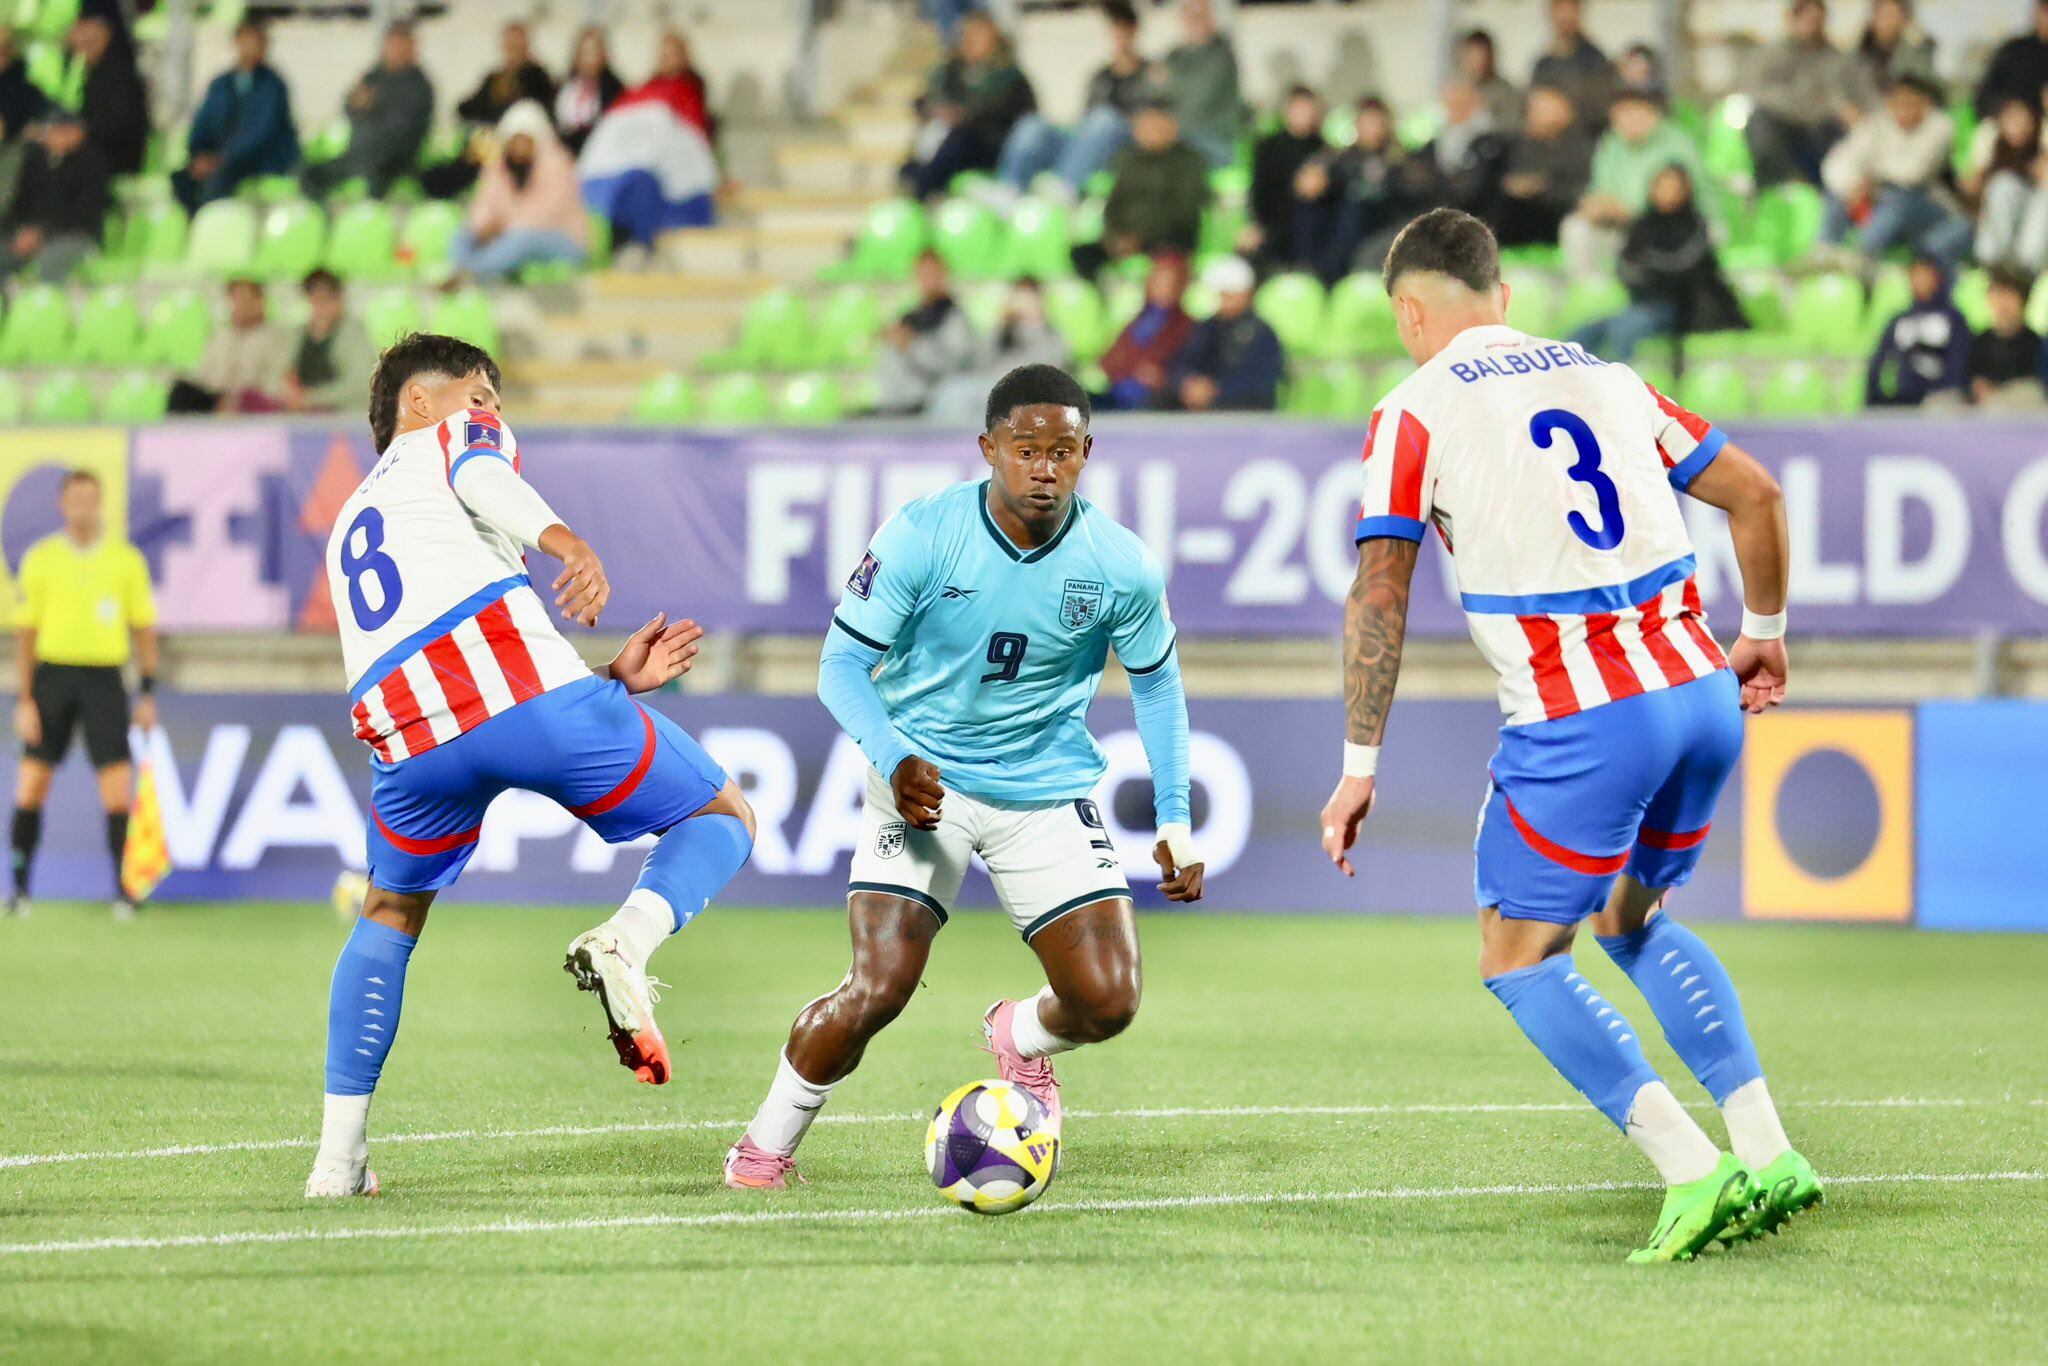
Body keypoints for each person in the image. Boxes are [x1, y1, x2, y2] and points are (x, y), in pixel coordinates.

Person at [1319, 206, 1819, 1263]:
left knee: (1517, 956)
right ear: (1501, 295)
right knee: (1630, 917)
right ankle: (1769, 1150)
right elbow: (1758, 493)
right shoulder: (1609, 377)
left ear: (1408, 312)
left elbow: (1380, 591)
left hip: (1584, 713)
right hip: (1698, 692)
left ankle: (1692, 1169)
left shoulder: (1411, 410)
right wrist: (1765, 635)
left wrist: (1359, 763)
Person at [723, 363, 1202, 1191]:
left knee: (1108, 1000)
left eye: (1062, 451)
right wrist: (893, 758)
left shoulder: (1120, 564)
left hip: (1043, 789)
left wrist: (1174, 818)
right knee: (878, 989)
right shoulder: (923, 533)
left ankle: (1020, 1037)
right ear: (989, 449)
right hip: (923, 782)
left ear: (1086, 453)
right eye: (1026, 449)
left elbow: (1157, 686)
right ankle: (762, 1150)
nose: (1044, 468)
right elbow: (840, 665)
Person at [306, 333, 755, 1198]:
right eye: (479, 392)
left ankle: (338, 1160)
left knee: (388, 913)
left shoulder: (352, 520)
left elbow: (452, 653)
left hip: (409, 739)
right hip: (524, 706)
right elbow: (485, 475)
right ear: (420, 401)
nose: (493, 410)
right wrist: (568, 543)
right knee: (724, 815)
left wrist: (608, 677)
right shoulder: (452, 440)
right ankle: (626, 940)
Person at [9, 470, 160, 920]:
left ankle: (125, 893)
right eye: (75, 499)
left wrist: (146, 693)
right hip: (52, 678)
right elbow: (26, 635)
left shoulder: (125, 561)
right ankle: (19, 891)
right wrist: (25, 699)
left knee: (116, 787)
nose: (82, 507)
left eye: (90, 499)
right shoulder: (41, 559)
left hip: (104, 680)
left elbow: (143, 630)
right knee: (32, 783)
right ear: (63, 504)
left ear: (100, 503)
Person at [1571, 164, 1744, 360]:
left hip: (1681, 307)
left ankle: (1624, 377)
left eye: (1673, 186)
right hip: (1642, 304)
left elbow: (1683, 270)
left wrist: (1646, 271)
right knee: (1580, 335)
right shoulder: (1643, 224)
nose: (1666, 192)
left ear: (1685, 190)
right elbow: (1626, 266)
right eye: (1662, 186)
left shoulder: (1695, 226)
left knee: (1625, 328)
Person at [996, 0, 1153, 200]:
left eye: (1123, 29)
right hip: (1089, 141)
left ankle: (1064, 188)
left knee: (1104, 119)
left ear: (1134, 31)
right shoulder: (1101, 76)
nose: (1118, 36)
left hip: (1123, 146)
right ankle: (1009, 189)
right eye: (1115, 29)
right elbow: (1085, 119)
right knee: (1033, 125)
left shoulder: (1151, 74)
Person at [576, 31, 720, 246]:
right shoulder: (646, 89)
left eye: (672, 55)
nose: (667, 60)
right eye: (663, 55)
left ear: (685, 57)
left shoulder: (691, 89)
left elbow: (695, 132)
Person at [1818, 71, 1969, 268]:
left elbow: (1912, 173)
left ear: (1926, 104)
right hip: (1874, 196)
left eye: (1912, 103)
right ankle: (1826, 253)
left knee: (1899, 199)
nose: (1904, 110)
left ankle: (1861, 256)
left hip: (1927, 204)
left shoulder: (1941, 126)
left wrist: (1871, 179)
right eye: (1899, 103)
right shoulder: (1878, 122)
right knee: (1838, 193)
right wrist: (1854, 186)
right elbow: (1836, 164)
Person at [1560, 88, 1709, 277]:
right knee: (1576, 227)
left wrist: (1629, 210)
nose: (1628, 121)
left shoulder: (1677, 145)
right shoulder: (1612, 145)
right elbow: (1600, 188)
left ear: (1653, 113)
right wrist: (1594, 206)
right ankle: (1591, 286)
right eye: (1621, 115)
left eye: (1634, 113)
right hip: (1623, 227)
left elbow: (1673, 202)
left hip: (1676, 230)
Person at [903, 12, 1035, 202]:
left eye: (978, 34)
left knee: (957, 139)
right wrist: (939, 112)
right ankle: (916, 184)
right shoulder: (950, 71)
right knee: (933, 136)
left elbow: (1011, 114)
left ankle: (921, 190)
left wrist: (963, 116)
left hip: (991, 144)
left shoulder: (1009, 76)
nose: (972, 40)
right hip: (949, 136)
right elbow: (924, 101)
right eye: (967, 34)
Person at [450, 101, 587, 282]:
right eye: (515, 141)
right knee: (464, 235)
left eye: (525, 141)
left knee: (522, 240)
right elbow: (485, 203)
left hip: (561, 238)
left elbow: (544, 216)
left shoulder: (557, 165)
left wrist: (501, 228)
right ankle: (457, 272)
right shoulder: (498, 166)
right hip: (508, 235)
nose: (519, 148)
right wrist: (481, 228)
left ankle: (471, 274)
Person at [175, 19, 298, 213]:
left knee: (220, 180)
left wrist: (222, 158)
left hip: (258, 161)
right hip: (219, 158)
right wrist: (199, 154)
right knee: (181, 179)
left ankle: (215, 225)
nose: (251, 48)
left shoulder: (273, 86)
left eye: (257, 42)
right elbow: (203, 122)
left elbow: (261, 133)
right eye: (247, 41)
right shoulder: (221, 84)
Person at [303, 22, 434, 198]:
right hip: (357, 155)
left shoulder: (420, 86)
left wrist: (372, 105)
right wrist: (358, 105)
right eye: (392, 46)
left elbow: (400, 129)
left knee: (372, 179)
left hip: (394, 161)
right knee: (311, 173)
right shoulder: (374, 76)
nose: (396, 51)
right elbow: (350, 106)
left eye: (401, 46)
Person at [1081, 100, 1209, 275]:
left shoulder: (1189, 161)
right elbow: (1115, 204)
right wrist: (1114, 237)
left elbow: (1185, 210)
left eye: (1156, 127)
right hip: (1125, 238)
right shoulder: (1126, 159)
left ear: (1172, 128)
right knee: (1083, 255)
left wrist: (1140, 237)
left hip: (1168, 238)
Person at [1745, 0, 1863, 188]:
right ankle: (1777, 187)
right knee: (1760, 124)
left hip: (1820, 126)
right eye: (1807, 20)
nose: (1812, 26)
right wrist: (1802, 104)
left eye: (1817, 21)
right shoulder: (1771, 54)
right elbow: (1760, 92)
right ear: (1792, 20)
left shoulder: (1834, 58)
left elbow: (1838, 95)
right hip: (1782, 121)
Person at [1293, 98, 1411, 282]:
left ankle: (1330, 272)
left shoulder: (1398, 159)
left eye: (1375, 121)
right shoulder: (1342, 157)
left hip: (1381, 221)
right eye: (1366, 121)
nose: (1371, 128)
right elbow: (1311, 181)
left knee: (1355, 208)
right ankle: (1308, 270)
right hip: (1341, 220)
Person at [929, 277, 1071, 425]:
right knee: (951, 390)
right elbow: (979, 361)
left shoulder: (1052, 336)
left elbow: (1043, 369)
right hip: (988, 388)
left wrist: (1032, 324)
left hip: (1023, 399)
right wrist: (1002, 324)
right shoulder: (1003, 333)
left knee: (959, 395)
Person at [0, 113, 109, 281]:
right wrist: (20, 232)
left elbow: (84, 214)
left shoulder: (91, 165)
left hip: (74, 235)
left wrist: (41, 233)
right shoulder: (35, 161)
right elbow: (20, 205)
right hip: (29, 234)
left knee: (49, 263)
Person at [873, 249, 980, 416]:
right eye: (922, 273)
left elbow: (954, 368)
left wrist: (913, 345)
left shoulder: (954, 320)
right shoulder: (909, 318)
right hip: (896, 406)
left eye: (932, 273)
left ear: (944, 274)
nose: (927, 279)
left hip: (932, 410)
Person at [1172, 255, 1282, 411]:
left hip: (1246, 415)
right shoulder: (1207, 328)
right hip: (1204, 413)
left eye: (1230, 294)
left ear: (1247, 294)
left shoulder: (1262, 333)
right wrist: (1187, 383)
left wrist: (1216, 391)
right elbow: (1184, 362)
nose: (1224, 300)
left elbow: (1261, 381)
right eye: (1221, 294)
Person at [167, 278, 290, 414]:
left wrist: (238, 399)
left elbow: (276, 382)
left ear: (260, 301)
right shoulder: (220, 337)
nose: (241, 306)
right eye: (237, 299)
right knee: (181, 391)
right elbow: (205, 375)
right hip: (216, 399)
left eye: (246, 300)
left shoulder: (274, 338)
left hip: (251, 402)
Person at [1493, 85, 1593, 247]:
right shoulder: (1519, 145)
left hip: (1559, 212)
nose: (1548, 115)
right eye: (1539, 110)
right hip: (1522, 213)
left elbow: (1579, 186)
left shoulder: (1581, 146)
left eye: (1552, 109)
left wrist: (1542, 186)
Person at [1864, 252, 1968, 407]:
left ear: (1937, 277)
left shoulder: (1953, 319)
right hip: (1903, 400)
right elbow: (1879, 361)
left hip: (1941, 400)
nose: (1921, 281)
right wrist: (1877, 398)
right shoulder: (1899, 320)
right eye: (1916, 275)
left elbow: (1959, 362)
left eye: (1926, 275)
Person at [1098, 253, 1196, 409]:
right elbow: (1109, 360)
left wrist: (1163, 377)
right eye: (1158, 280)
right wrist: (1132, 368)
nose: (1162, 287)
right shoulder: (1138, 321)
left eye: (1169, 281)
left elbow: (1186, 367)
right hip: (1119, 391)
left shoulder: (1187, 326)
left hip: (1155, 399)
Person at [1244, 86, 1325, 270]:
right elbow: (1259, 192)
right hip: (1273, 226)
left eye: (1307, 109)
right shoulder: (1268, 148)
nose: (1303, 115)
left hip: (1309, 228)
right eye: (1298, 109)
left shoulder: (1323, 150)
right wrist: (1256, 225)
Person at [1965, 97, 2048, 275]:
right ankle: (1991, 262)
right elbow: (1970, 190)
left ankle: (2025, 268)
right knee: (2003, 184)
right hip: (1994, 225)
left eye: (2023, 119)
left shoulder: (2041, 146)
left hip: (2031, 218)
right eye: (2012, 119)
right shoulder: (1992, 144)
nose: (2018, 125)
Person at [1159, 0, 1243, 168]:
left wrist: (1169, 81)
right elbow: (1149, 88)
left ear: (1212, 19)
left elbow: (1200, 98)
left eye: (1200, 16)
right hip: (1179, 138)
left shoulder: (1222, 54)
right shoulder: (1175, 55)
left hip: (1214, 141)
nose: (1195, 22)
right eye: (1190, 16)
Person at [1414, 77, 1509, 219]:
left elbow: (1470, 190)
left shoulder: (1488, 144)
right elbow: (1414, 181)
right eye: (1451, 103)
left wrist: (1435, 181)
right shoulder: (1433, 145)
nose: (1455, 109)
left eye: (1461, 103)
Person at [284, 270, 375, 414]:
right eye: (315, 298)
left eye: (326, 298)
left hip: (346, 417)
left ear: (339, 298)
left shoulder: (355, 334)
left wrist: (311, 398)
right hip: (303, 417)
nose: (321, 306)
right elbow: (284, 374)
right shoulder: (299, 334)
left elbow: (357, 384)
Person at [69, 12, 146, 176]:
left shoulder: (117, 72)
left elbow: (117, 120)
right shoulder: (93, 70)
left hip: (114, 156)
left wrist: (82, 133)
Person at [1530, 0, 1618, 137]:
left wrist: (1565, 112)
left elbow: (1603, 109)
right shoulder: (1543, 64)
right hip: (1547, 142)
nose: (1565, 16)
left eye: (1570, 9)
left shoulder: (1596, 61)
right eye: (1559, 10)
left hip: (1585, 140)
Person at [456, 20, 557, 129]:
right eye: (510, 44)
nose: (513, 49)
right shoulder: (493, 78)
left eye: (517, 44)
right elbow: (469, 108)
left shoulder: (538, 77)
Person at [1967, 268, 2044, 407]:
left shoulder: (2036, 344)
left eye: (2009, 296)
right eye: (1998, 296)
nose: (2003, 304)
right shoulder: (1978, 344)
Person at [554, 26, 624, 157]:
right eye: (585, 53)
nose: (589, 60)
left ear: (604, 55)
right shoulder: (563, 87)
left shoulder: (615, 90)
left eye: (594, 53)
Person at [1974, 0, 2048, 121]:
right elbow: (1984, 97)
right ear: (2036, 13)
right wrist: (2010, 110)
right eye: (2045, 12)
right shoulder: (2014, 51)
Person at [1853, 0, 1935, 101]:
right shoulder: (1858, 54)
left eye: (1893, 15)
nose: (1888, 23)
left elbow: (1926, 87)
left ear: (1904, 20)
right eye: (1884, 15)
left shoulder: (1917, 53)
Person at [1457, 29, 1522, 133]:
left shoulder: (1506, 93)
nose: (1477, 63)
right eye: (1471, 57)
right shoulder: (1456, 91)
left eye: (1481, 57)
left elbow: (1509, 130)